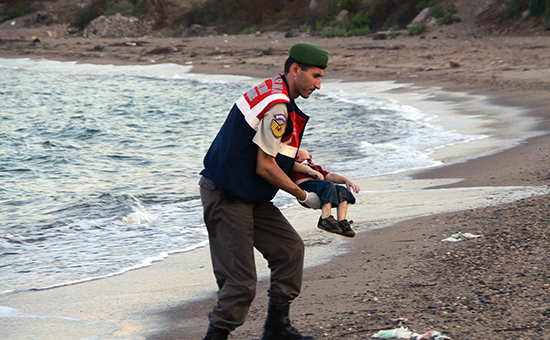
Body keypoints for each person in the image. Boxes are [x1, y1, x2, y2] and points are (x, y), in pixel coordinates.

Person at [198, 42, 329, 340]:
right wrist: (302, 195)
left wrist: (304, 166)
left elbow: (269, 149)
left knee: (289, 250)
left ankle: (276, 329)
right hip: (226, 195)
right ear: (295, 70)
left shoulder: (273, 89)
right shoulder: (279, 106)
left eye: (321, 77)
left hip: (249, 194)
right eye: (316, 76)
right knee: (241, 283)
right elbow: (265, 166)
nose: (319, 86)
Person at [290, 148, 360, 237]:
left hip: (320, 188)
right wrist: (309, 171)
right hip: (305, 186)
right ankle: (325, 218)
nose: (309, 156)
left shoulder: (315, 168)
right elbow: (292, 165)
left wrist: (346, 180)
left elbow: (330, 175)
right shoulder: (294, 164)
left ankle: (341, 222)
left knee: (341, 190)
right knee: (328, 185)